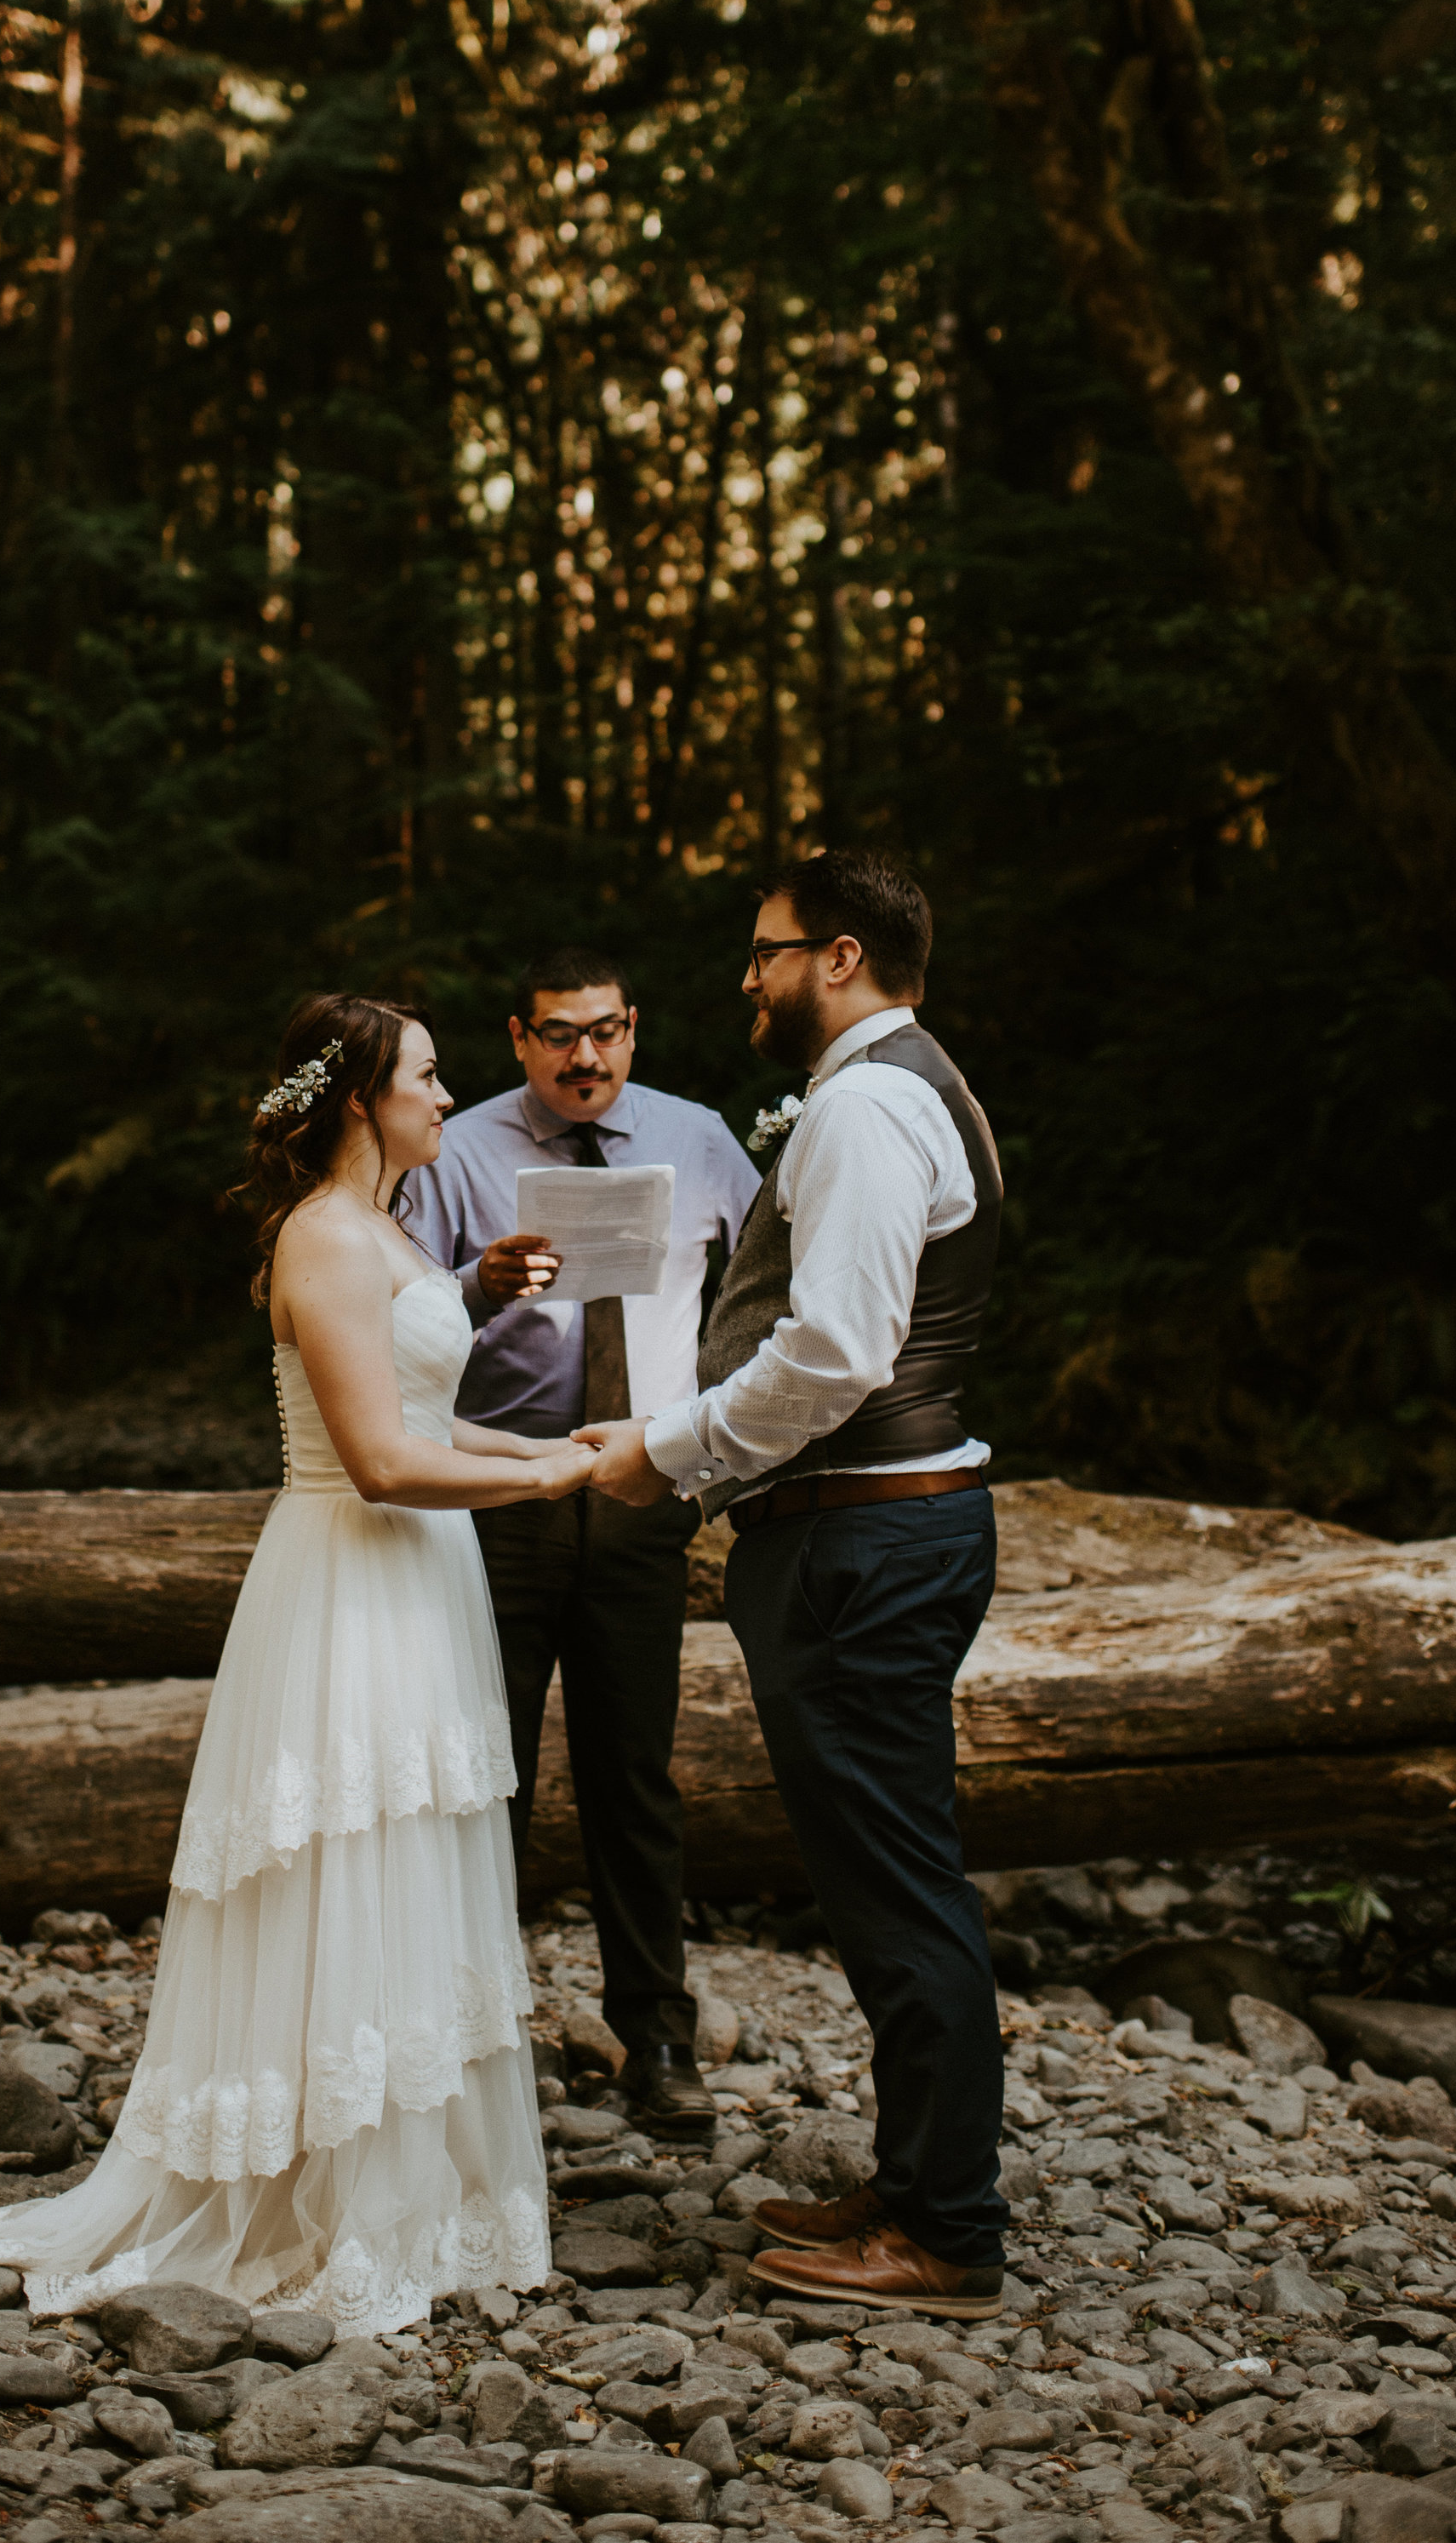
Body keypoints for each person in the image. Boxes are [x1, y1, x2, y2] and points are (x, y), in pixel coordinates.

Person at [0, 994, 597, 2331]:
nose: (449, 1096)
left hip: (424, 1574)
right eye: (429, 1074)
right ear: (361, 1098)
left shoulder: (398, 1227)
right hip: (352, 1574)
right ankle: (320, 2198)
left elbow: (432, 1411)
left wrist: (573, 1443)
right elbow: (384, 1462)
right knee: (345, 1854)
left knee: (415, 1848)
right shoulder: (327, 1239)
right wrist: (551, 1483)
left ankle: (412, 2185)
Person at [577, 851, 1010, 2318]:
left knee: (898, 1886)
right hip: (872, 1534)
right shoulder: (916, 1085)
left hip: (863, 1541)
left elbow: (835, 1353)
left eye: (763, 952)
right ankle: (910, 2185)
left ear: (837, 957)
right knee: (886, 1872)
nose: (746, 978)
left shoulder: (870, 1105)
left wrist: (673, 1452)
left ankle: (946, 2233)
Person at [401, 948, 757, 2139]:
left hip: (640, 1494)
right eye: (560, 1034)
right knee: (481, 1776)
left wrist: (720, 1443)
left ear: (635, 1030)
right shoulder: (459, 1150)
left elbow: (773, 1289)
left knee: (634, 1776)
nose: (585, 1056)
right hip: (497, 1497)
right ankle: (467, 2046)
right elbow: (393, 1315)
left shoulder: (701, 1137)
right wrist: (476, 1281)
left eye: (604, 1031)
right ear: (519, 1037)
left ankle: (657, 2037)